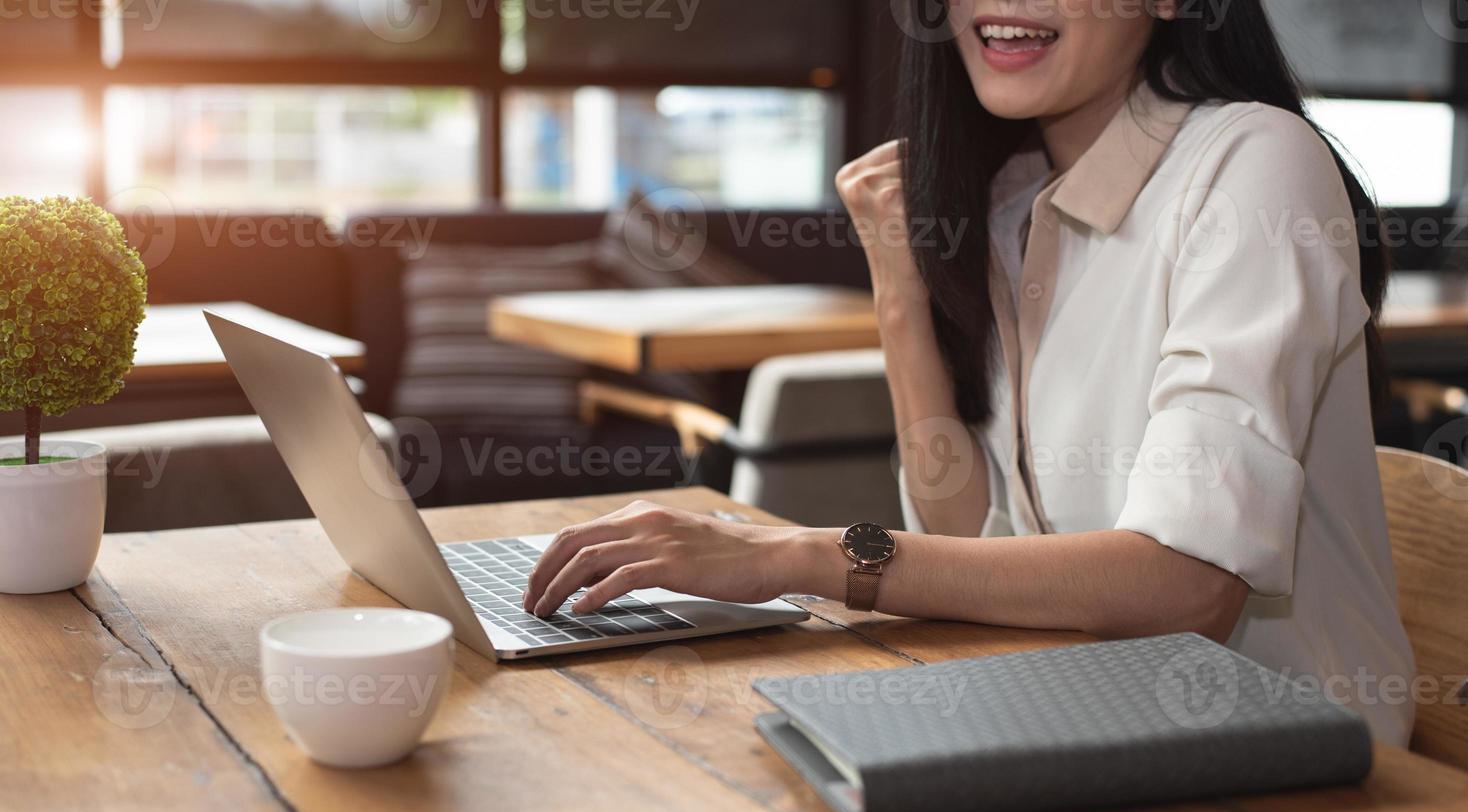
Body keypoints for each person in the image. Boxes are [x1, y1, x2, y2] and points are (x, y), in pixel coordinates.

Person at [522, 0, 1416, 744]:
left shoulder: (1256, 161)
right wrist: (899, 291)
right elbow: (976, 535)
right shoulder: (1012, 203)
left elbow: (1186, 588)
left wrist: (790, 554)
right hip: (1084, 714)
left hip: (1293, 764)